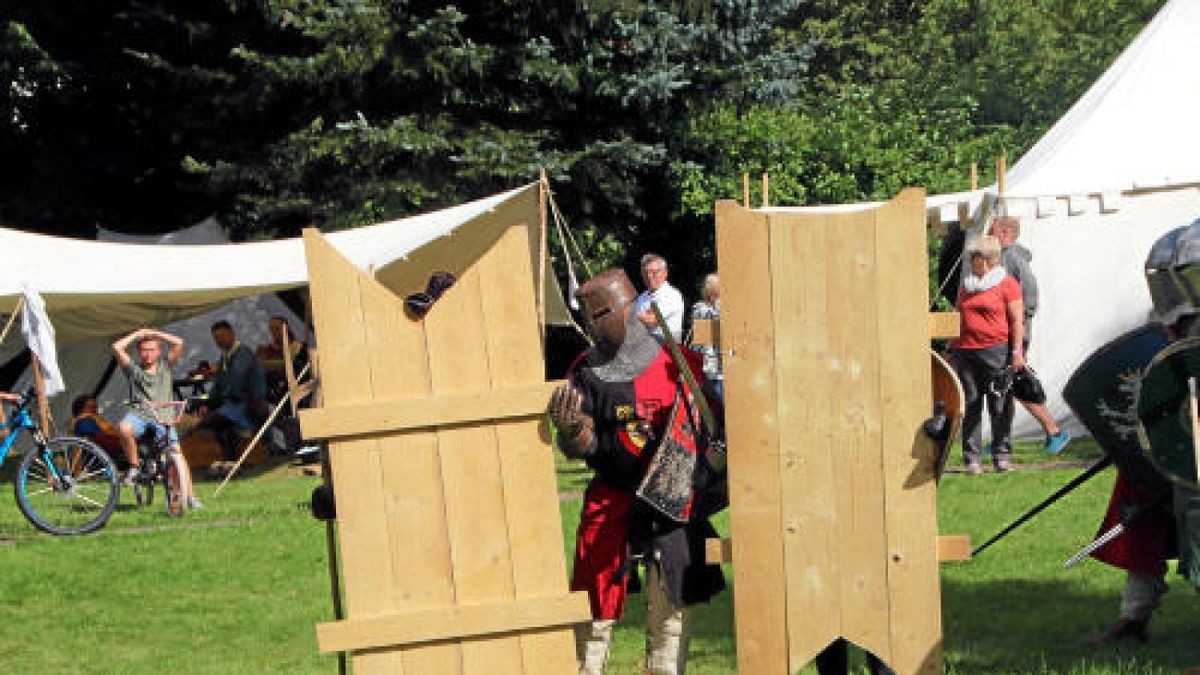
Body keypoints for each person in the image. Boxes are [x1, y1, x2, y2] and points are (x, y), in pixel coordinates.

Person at [549, 268, 725, 675]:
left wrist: (709, 457)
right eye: (588, 316)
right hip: (613, 497)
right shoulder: (586, 371)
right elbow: (581, 447)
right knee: (593, 606)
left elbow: (716, 431)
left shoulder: (677, 364)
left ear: (626, 308)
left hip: (672, 501)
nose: (593, 326)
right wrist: (574, 430)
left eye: (599, 315)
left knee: (671, 611)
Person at [990, 216, 1071, 454]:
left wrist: (1023, 322)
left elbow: (1030, 291)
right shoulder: (1001, 258)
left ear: (1004, 233)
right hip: (1003, 330)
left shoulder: (1013, 258)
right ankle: (1000, 440)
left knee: (1017, 382)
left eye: (991, 230)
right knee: (1003, 386)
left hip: (1014, 330)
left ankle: (1054, 430)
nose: (987, 233)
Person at [952, 234, 1025, 474]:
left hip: (996, 351)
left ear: (987, 260)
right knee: (971, 404)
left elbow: (1017, 321)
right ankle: (972, 459)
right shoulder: (967, 285)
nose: (971, 261)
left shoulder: (1007, 284)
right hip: (966, 352)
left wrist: (1017, 352)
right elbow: (958, 317)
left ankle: (1001, 455)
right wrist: (952, 347)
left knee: (1000, 404)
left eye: (974, 257)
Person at [111, 327, 201, 508]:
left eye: (152, 350)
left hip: (163, 416)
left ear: (159, 351)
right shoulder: (134, 370)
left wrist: (155, 333)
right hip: (141, 414)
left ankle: (190, 497)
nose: (147, 354)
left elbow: (179, 343)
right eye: (144, 350)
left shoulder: (165, 367)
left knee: (176, 453)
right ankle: (134, 468)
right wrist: (137, 334)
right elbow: (116, 347)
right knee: (123, 428)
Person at [199, 320, 267, 462]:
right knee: (210, 421)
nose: (219, 340)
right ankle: (230, 459)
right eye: (216, 338)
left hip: (249, 406)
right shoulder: (226, 356)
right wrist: (208, 404)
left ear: (232, 334)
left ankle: (232, 459)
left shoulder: (243, 354)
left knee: (214, 421)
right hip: (234, 405)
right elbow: (218, 384)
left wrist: (216, 404)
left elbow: (235, 385)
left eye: (222, 336)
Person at [634, 253, 685, 340]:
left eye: (654, 272)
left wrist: (633, 315)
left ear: (665, 273)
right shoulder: (642, 297)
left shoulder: (671, 295)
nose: (649, 276)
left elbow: (651, 321)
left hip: (666, 350)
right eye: (645, 273)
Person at [688, 273, 723, 399]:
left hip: (724, 366)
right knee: (718, 400)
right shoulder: (700, 309)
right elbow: (712, 315)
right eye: (718, 294)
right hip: (710, 369)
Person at [70, 395, 124, 464]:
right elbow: (99, 439)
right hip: (100, 457)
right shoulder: (83, 421)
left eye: (96, 407)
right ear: (81, 410)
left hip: (104, 453)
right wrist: (120, 441)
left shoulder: (90, 420)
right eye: (91, 407)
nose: (95, 410)